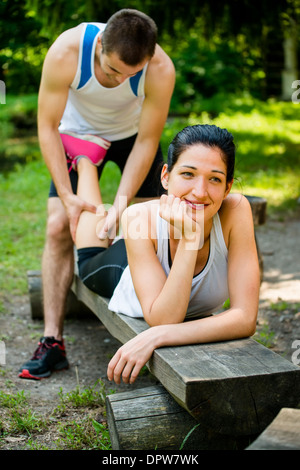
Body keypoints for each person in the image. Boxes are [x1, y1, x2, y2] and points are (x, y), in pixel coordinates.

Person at [19, 9, 175, 380]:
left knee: (148, 227)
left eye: (130, 75)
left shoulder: (160, 69)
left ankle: (154, 330)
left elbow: (148, 139)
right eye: (112, 71)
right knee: (59, 224)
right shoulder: (66, 52)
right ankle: (52, 342)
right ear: (100, 45)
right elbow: (46, 126)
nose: (120, 80)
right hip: (78, 135)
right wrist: (66, 195)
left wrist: (121, 204)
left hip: (132, 137)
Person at [70, 123, 260, 385]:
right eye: (188, 174)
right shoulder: (138, 216)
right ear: (166, 177)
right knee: (89, 256)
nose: (200, 191)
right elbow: (164, 318)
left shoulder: (236, 210)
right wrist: (190, 238)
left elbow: (245, 317)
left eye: (214, 178)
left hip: (150, 248)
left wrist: (156, 337)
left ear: (228, 188)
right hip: (122, 269)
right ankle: (85, 161)